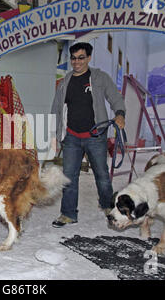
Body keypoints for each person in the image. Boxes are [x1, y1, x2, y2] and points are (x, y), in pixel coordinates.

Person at [50, 42, 126, 228]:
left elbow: (115, 98)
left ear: (89, 58)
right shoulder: (65, 82)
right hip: (71, 137)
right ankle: (68, 214)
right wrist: (53, 134)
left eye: (81, 58)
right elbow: (56, 109)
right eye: (74, 58)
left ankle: (110, 208)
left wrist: (120, 114)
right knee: (69, 176)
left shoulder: (99, 78)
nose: (76, 62)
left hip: (95, 136)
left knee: (101, 175)